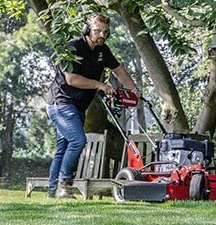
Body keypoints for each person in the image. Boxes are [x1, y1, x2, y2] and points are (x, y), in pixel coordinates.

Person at [46, 13, 141, 198]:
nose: (102, 35)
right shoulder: (72, 48)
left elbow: (119, 70)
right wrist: (100, 85)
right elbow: (72, 79)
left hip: (79, 107)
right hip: (61, 103)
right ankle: (64, 186)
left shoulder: (103, 51)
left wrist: (134, 89)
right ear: (88, 30)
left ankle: (52, 191)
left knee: (63, 148)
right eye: (97, 31)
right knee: (78, 141)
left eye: (105, 32)